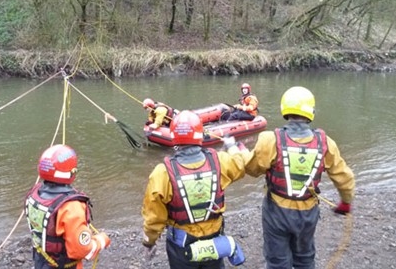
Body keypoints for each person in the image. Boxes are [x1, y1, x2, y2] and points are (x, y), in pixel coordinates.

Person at [244, 86, 355, 269]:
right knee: (305, 258)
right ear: (310, 111)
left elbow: (253, 169)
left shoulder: (269, 140)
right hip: (308, 214)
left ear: (284, 108)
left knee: (277, 262)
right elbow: (345, 178)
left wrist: (243, 154)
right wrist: (346, 201)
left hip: (276, 213)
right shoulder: (326, 143)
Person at [141, 110, 248, 269]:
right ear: (199, 134)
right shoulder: (220, 161)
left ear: (174, 136)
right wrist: (232, 146)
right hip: (215, 240)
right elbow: (241, 164)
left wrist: (149, 242)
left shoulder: (162, 173)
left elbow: (153, 218)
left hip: (181, 246)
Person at [25, 144, 111, 269]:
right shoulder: (71, 207)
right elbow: (80, 250)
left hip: (42, 260)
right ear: (71, 172)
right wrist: (101, 241)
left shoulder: (34, 193)